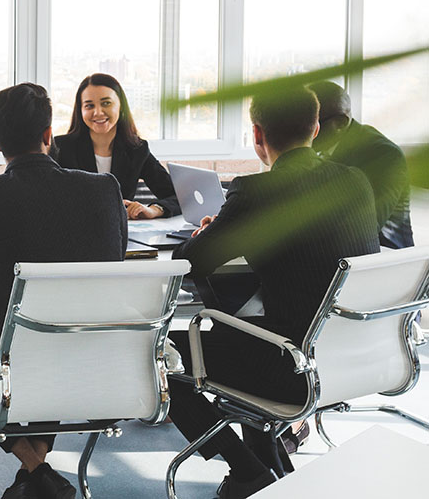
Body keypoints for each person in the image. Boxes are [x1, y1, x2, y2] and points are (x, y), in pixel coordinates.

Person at [167, 85, 379, 498]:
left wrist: (211, 233)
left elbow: (189, 262)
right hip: (354, 356)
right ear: (315, 129)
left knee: (157, 355)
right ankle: (270, 464)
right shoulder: (356, 181)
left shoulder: (255, 192)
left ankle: (247, 470)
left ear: (257, 135)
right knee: (245, 331)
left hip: (293, 367)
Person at [0, 83, 127, 499]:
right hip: (94, 363)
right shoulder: (105, 189)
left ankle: (35, 468)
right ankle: (35, 475)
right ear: (49, 135)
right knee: (50, 338)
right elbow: (114, 256)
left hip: (13, 371)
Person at [52, 73, 180, 220]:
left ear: (121, 106)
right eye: (89, 105)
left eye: (106, 103)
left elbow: (177, 196)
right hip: (74, 229)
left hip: (119, 231)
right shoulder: (61, 148)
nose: (98, 112)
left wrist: (155, 210)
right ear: (80, 111)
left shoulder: (137, 149)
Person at [308, 80, 413, 249]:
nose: (308, 130)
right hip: (341, 250)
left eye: (314, 123)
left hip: (385, 254)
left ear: (341, 123)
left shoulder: (384, 154)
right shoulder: (320, 147)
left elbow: (367, 225)